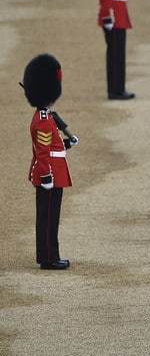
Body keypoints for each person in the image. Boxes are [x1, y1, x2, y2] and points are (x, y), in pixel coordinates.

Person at [22, 54, 76, 270]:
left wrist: (68, 143)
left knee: (50, 217)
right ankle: (48, 258)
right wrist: (46, 176)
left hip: (54, 171)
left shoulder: (46, 117)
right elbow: (44, 152)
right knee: (48, 219)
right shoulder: (44, 120)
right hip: (50, 174)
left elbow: (52, 146)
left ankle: (49, 255)